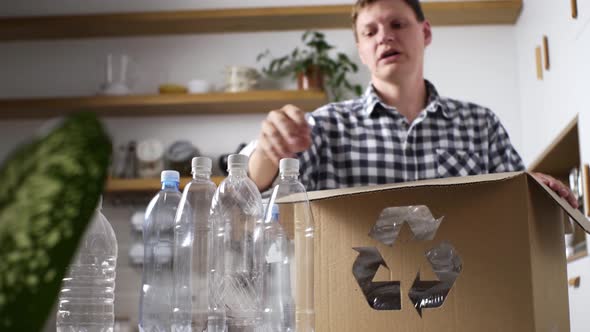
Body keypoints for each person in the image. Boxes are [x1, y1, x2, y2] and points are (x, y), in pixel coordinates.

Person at [246, 0, 578, 208]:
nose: (384, 37)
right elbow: (254, 199)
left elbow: (517, 205)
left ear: (426, 33)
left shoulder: (480, 124)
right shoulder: (324, 126)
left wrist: (538, 192)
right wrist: (268, 152)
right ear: (361, 50)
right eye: (370, 32)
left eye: (397, 24)